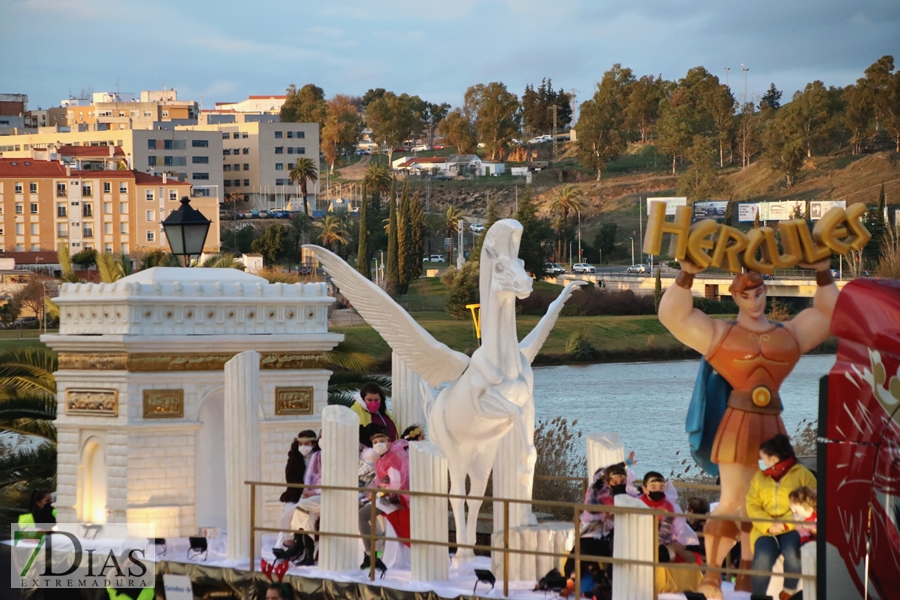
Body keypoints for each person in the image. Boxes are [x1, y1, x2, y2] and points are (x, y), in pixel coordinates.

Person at [658, 259, 838, 598]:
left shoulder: (788, 336)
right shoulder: (721, 336)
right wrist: (687, 274)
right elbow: (672, 316)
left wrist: (823, 271)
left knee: (765, 503)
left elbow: (830, 315)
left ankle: (747, 573)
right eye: (746, 295)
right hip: (737, 422)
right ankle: (712, 575)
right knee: (732, 501)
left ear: (766, 292)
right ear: (735, 297)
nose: (754, 301)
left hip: (772, 423)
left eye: (758, 293)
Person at [746, 434, 816, 600]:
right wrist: (768, 525)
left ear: (773, 458)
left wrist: (785, 524)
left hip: (793, 527)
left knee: (792, 553)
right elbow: (752, 504)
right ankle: (759, 597)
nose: (760, 462)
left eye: (762, 458)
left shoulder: (804, 475)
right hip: (765, 529)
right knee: (762, 557)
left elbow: (811, 504)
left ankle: (789, 592)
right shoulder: (759, 478)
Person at [563, 464, 636, 594]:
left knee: (611, 546)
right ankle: (584, 577)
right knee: (582, 546)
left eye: (622, 481)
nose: (619, 484)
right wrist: (595, 488)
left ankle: (605, 581)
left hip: (622, 536)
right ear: (608, 483)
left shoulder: (633, 494)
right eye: (615, 482)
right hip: (603, 534)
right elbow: (592, 508)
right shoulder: (602, 495)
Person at [358, 427, 410, 570]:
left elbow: (395, 485)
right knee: (358, 506)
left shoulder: (392, 459)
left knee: (361, 516)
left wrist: (379, 491)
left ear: (389, 443)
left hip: (395, 499)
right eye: (375, 442)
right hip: (385, 496)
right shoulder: (382, 459)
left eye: (382, 441)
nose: (378, 444)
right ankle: (376, 545)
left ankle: (371, 555)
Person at [274, 431, 321, 564]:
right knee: (288, 514)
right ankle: (290, 542)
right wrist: (303, 489)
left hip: (313, 494)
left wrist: (310, 491)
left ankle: (297, 546)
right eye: (301, 443)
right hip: (296, 493)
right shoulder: (294, 456)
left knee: (300, 512)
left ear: (313, 443)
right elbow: (290, 477)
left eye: (307, 443)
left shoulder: (318, 456)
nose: (303, 446)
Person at [639, 472, 698, 565]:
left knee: (660, 554)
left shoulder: (668, 507)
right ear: (645, 489)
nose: (657, 490)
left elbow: (664, 532)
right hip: (638, 540)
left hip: (662, 542)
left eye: (661, 487)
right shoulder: (637, 503)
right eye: (653, 487)